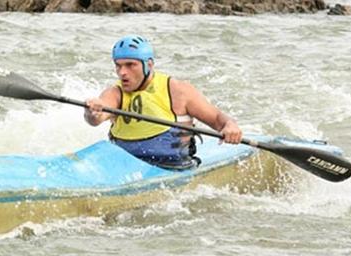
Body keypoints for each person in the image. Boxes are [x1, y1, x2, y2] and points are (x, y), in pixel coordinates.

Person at [84, 35, 242, 170]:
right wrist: (92, 111)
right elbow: (96, 118)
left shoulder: (177, 90)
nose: (122, 72)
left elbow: (217, 119)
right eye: (118, 66)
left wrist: (230, 126)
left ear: (149, 65)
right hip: (126, 168)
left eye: (130, 65)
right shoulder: (115, 93)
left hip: (174, 167)